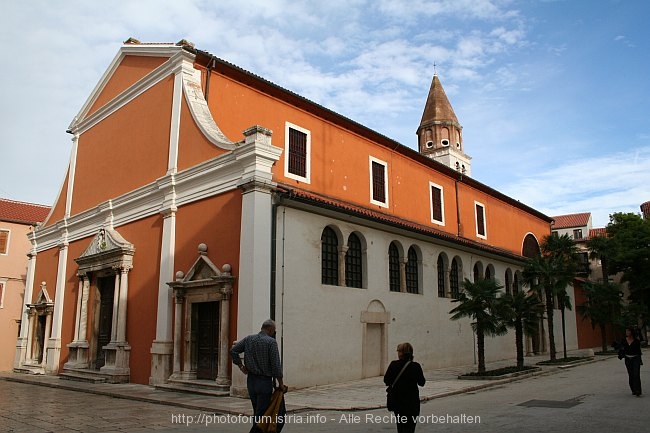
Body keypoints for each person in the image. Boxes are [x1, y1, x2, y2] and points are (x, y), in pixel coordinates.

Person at [231, 319, 287, 432]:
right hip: (264, 382)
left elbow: (233, 351)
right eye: (274, 331)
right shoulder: (271, 342)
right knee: (261, 413)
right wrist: (281, 384)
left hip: (251, 381)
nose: (274, 333)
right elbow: (276, 366)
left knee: (257, 410)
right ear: (270, 330)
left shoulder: (249, 339)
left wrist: (241, 366)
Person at [383, 342, 426, 433]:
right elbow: (422, 382)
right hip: (412, 403)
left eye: (398, 351)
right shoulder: (415, 366)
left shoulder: (393, 365)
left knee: (400, 426)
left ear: (401, 353)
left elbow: (386, 380)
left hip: (398, 402)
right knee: (410, 427)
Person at [618, 326, 643, 397]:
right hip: (628, 359)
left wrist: (640, 361)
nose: (627, 333)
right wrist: (620, 354)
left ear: (632, 332)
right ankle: (633, 390)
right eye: (626, 331)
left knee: (636, 374)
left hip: (635, 358)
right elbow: (621, 349)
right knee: (631, 374)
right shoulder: (624, 340)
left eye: (628, 331)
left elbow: (639, 352)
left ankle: (638, 390)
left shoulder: (636, 341)